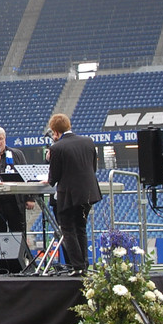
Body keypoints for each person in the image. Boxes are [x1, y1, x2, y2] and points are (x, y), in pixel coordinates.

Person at [44, 113, 101, 276]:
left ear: (54, 131)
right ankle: (84, 264)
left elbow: (53, 179)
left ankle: (77, 267)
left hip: (68, 195)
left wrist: (50, 158)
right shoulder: (88, 141)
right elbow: (92, 168)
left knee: (68, 229)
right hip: (88, 192)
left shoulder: (56, 148)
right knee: (81, 228)